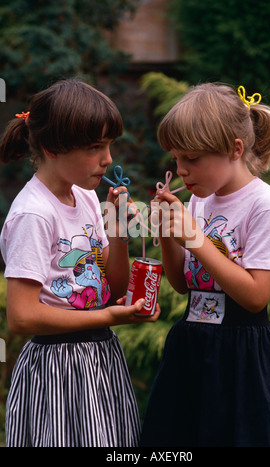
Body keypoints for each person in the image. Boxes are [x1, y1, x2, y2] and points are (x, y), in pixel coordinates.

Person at [0, 79, 160, 447]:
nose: (108, 159)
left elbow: (111, 287)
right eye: (95, 147)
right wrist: (109, 317)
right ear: (54, 148)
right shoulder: (34, 215)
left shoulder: (86, 197)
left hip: (100, 357)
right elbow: (21, 317)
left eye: (109, 145)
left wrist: (118, 229)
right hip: (57, 369)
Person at [140, 83, 270, 447]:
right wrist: (167, 232)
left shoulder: (265, 208)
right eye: (176, 160)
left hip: (242, 356)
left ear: (235, 149)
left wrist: (194, 238)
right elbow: (182, 283)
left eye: (191, 159)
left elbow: (256, 296)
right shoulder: (201, 201)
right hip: (193, 344)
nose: (181, 171)